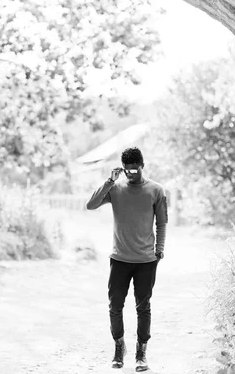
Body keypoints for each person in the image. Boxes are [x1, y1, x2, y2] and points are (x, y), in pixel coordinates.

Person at [85, 147, 167, 372]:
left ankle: (141, 352)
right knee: (115, 306)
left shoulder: (156, 190)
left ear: (143, 166)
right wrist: (109, 181)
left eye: (135, 170)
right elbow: (90, 205)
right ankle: (119, 347)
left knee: (143, 307)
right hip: (119, 259)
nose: (131, 174)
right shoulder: (115, 188)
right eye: (127, 171)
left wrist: (159, 250)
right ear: (122, 168)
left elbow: (161, 223)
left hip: (146, 261)